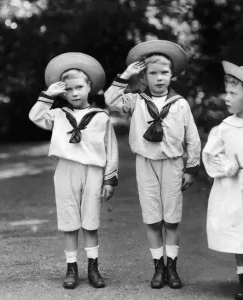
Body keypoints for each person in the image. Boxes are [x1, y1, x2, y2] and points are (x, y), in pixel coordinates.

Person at [104, 40, 201, 289]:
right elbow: (110, 100)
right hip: (145, 164)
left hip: (172, 164)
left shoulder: (179, 104)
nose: (159, 78)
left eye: (164, 73)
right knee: (153, 219)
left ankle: (172, 267)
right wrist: (126, 76)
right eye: (153, 73)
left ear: (171, 75)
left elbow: (192, 137)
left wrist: (191, 168)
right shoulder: (136, 101)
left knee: (171, 219)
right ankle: (158, 267)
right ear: (144, 76)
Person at [29, 52, 118, 289]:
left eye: (79, 87)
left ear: (90, 87)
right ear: (62, 92)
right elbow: (35, 116)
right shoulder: (58, 115)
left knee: (90, 221)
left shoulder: (100, 117)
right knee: (69, 220)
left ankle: (93, 267)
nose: (75, 93)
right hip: (66, 170)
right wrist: (48, 95)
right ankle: (71, 268)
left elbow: (111, 149)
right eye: (68, 89)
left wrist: (110, 179)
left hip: (93, 172)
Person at [202, 60, 243, 300]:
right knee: (239, 234)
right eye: (226, 92)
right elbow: (210, 154)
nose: (226, 98)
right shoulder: (225, 127)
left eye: (233, 93)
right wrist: (225, 166)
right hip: (234, 187)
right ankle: (242, 279)